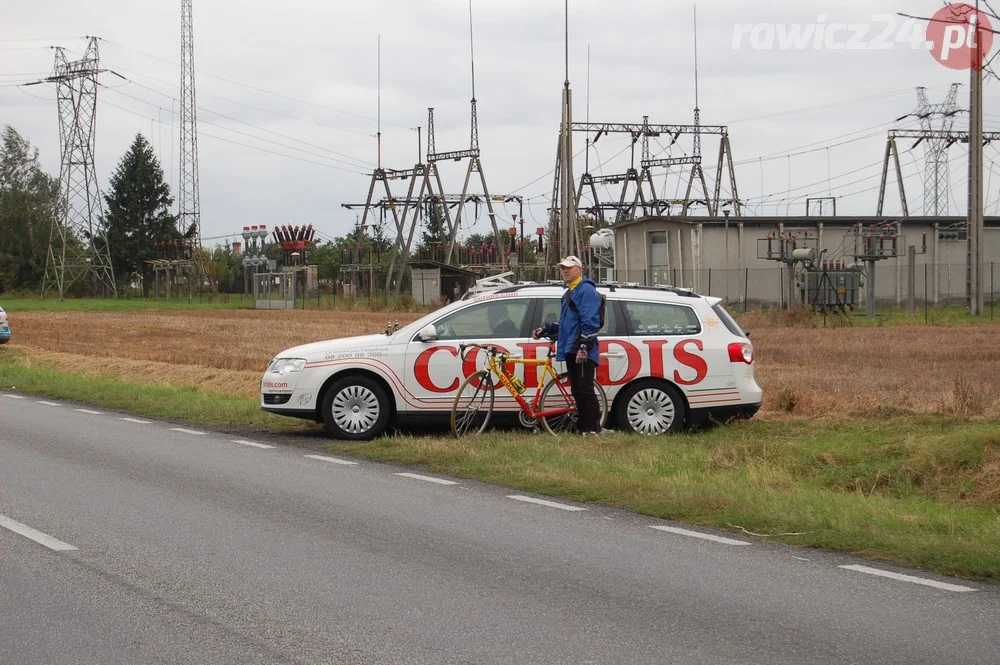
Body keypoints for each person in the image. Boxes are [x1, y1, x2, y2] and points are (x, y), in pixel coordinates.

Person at [532, 255, 603, 436]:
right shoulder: (568, 292)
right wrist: (547, 328)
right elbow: (567, 324)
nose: (565, 271)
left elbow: (591, 321)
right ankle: (584, 428)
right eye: (562, 268)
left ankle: (593, 429)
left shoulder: (585, 290)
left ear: (579, 270)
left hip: (582, 348)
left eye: (569, 268)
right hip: (571, 347)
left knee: (585, 389)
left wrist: (584, 345)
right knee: (577, 389)